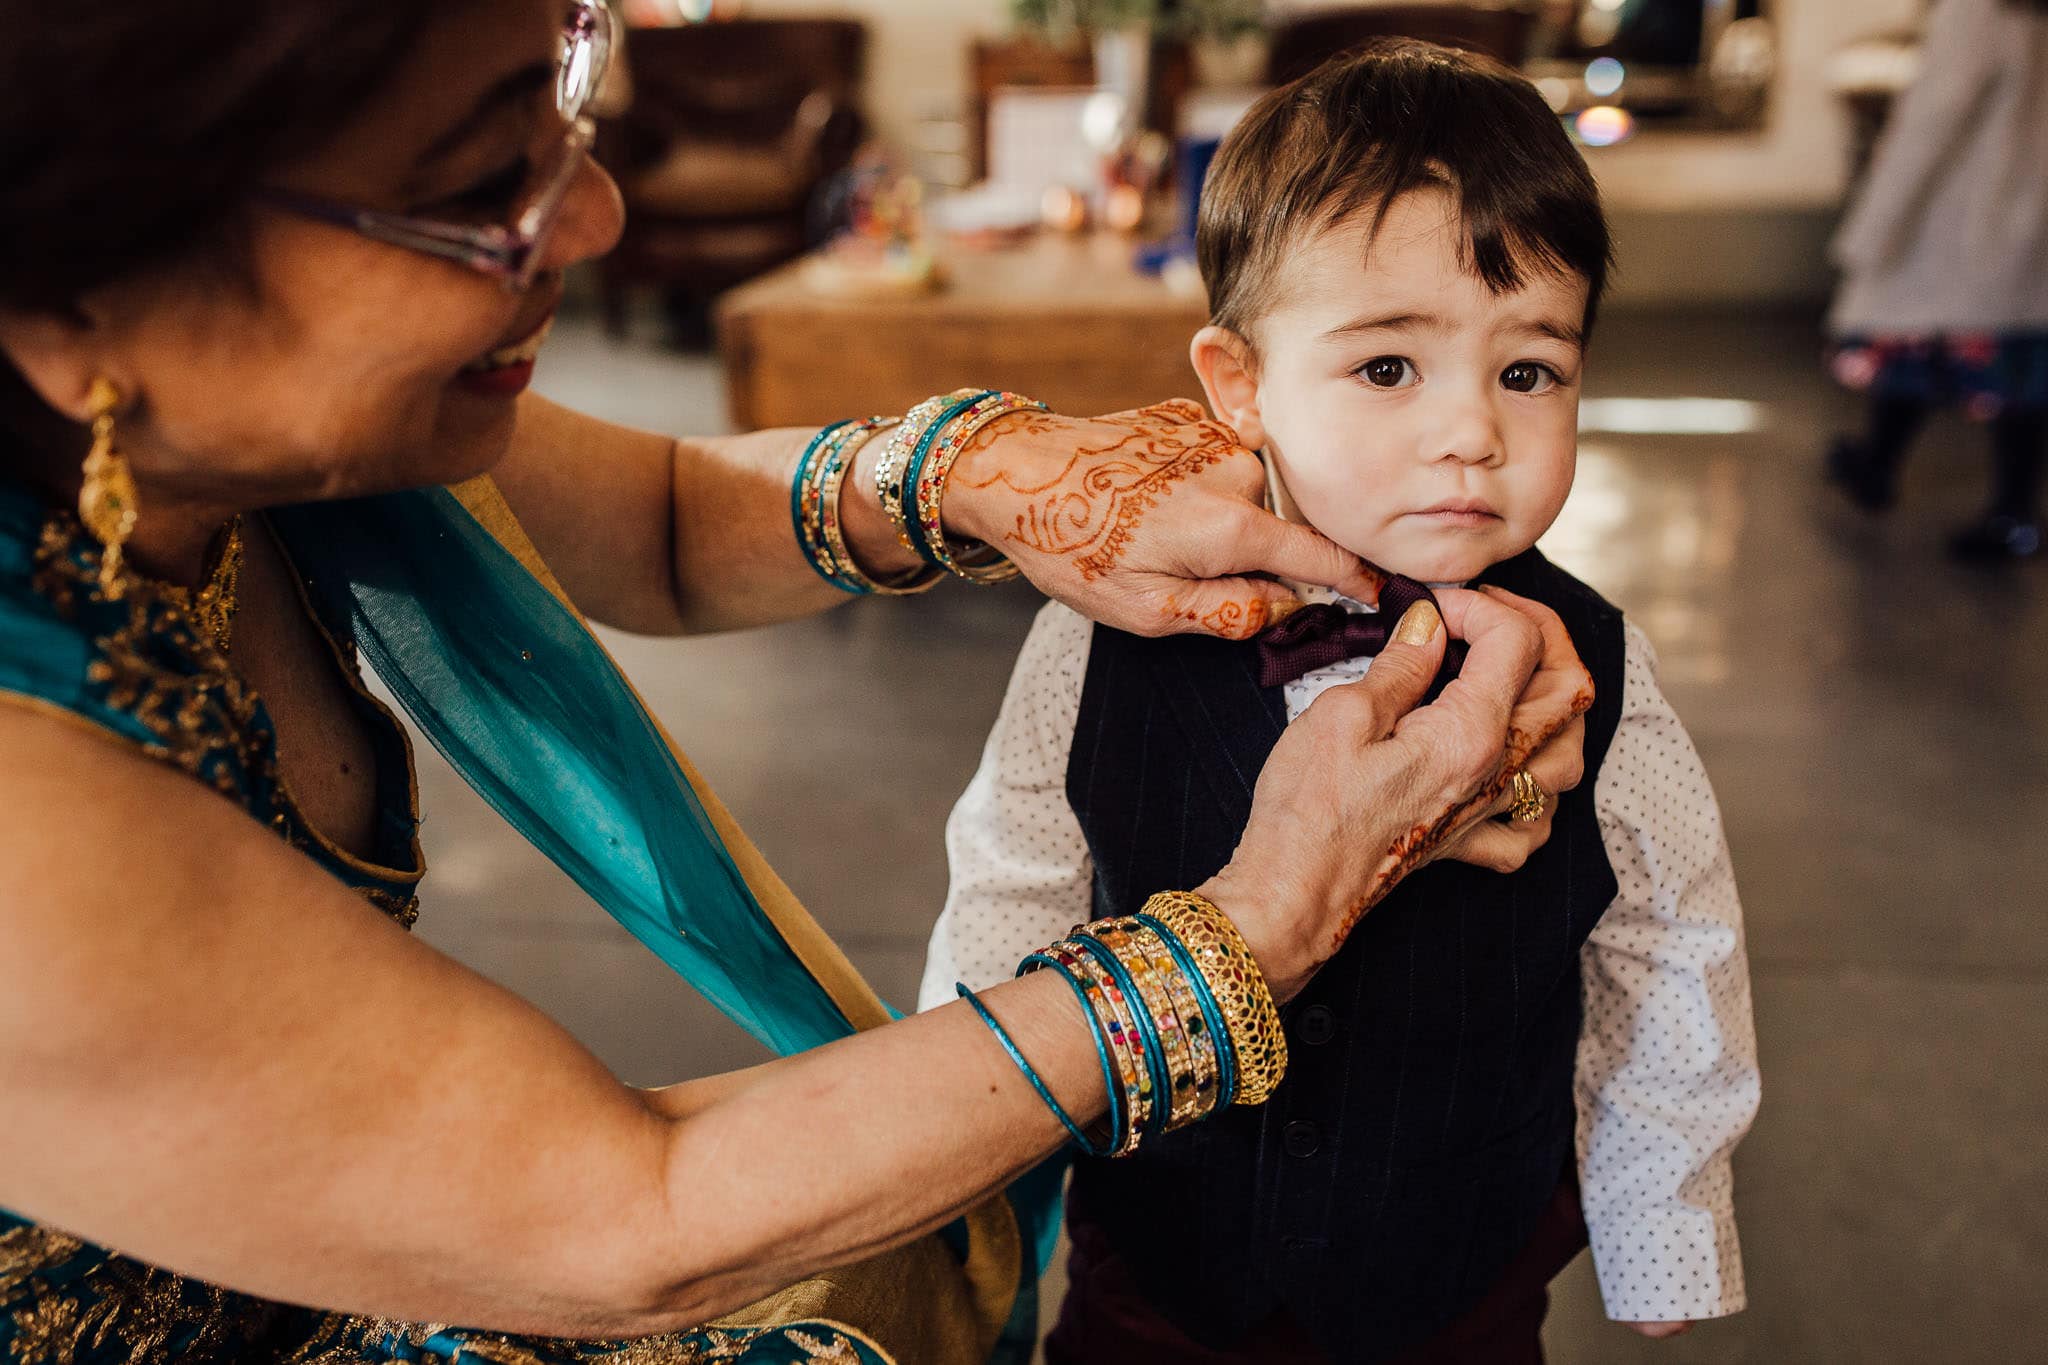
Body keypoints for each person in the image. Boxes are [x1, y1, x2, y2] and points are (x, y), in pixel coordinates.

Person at [0, 5, 1597, 1364]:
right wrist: (1266, 918)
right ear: (80, 297)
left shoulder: (218, 420)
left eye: (561, 91)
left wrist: (1004, 475)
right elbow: (623, 1215)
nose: (600, 218)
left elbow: (670, 525)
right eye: (478, 184)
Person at [921, 42, 1761, 1364]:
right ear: (1241, 382)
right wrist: (960, 1158)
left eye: (1527, 371)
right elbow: (1011, 883)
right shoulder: (1100, 635)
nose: (1471, 432)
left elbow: (1667, 938)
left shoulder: (1600, 660)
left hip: (1457, 1277)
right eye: (1389, 369)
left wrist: (1664, 1202)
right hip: (1161, 1267)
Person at [1824, 0, 2048, 561]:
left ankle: (2001, 507)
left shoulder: (1975, 13)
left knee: (1919, 341)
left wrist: (1871, 230)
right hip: (2026, 222)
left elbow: (1929, 124)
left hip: (1969, 220)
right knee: (2013, 365)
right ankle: (2007, 506)